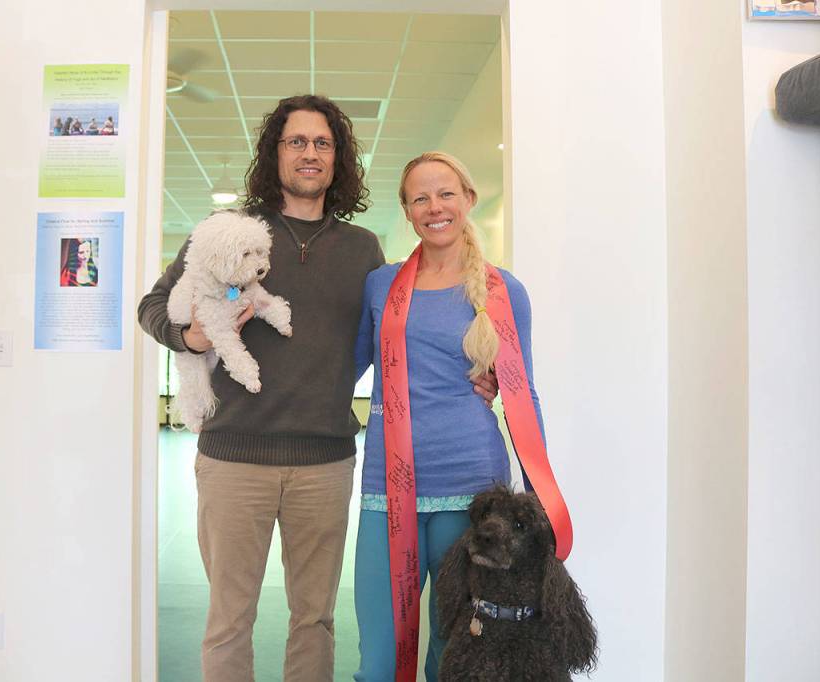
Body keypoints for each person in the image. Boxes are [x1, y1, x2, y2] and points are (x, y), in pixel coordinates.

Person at [137, 94, 386, 682]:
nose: (310, 153)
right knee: (229, 620)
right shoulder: (227, 232)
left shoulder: (362, 248)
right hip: (234, 457)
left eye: (322, 143)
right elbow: (152, 305)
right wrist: (191, 338)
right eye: (296, 141)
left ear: (338, 157)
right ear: (274, 153)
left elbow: (386, 340)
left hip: (325, 461)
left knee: (315, 620)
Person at [352, 152, 545, 681]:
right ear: (407, 211)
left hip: (472, 487)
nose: (434, 207)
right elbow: (344, 369)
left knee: (453, 649)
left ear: (467, 199)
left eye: (445, 194)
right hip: (386, 487)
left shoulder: (505, 291)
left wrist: (539, 500)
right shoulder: (381, 286)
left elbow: (523, 394)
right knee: (378, 657)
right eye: (420, 198)